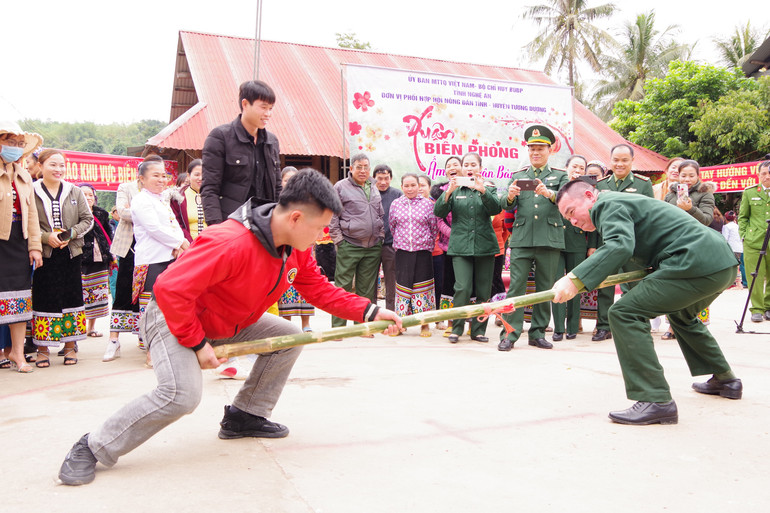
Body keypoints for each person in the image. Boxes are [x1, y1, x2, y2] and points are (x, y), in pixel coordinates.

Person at [57, 168, 402, 486]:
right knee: (181, 396)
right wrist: (196, 343)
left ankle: (245, 416)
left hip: (228, 320)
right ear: (296, 218)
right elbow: (170, 290)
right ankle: (93, 445)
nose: (322, 236)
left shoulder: (296, 248)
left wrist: (370, 312)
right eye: (318, 228)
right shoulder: (230, 241)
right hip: (174, 316)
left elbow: (318, 288)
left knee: (290, 337)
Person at [554, 180, 742, 425]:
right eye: (568, 219)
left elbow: (619, 246)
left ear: (590, 196)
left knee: (623, 313)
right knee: (682, 315)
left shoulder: (606, 204)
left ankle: (655, 399)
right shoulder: (621, 204)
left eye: (571, 213)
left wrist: (574, 280)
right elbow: (630, 258)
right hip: (719, 263)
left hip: (693, 262)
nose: (573, 222)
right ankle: (726, 380)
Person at [497, 125, 568, 351]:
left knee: (544, 288)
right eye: (532, 149)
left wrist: (550, 194)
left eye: (540, 149)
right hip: (523, 238)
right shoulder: (518, 176)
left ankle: (537, 332)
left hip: (549, 237)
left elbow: (568, 201)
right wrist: (509, 197)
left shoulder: (560, 175)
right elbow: (506, 205)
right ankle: (510, 333)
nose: (535, 153)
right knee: (515, 287)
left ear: (550, 150)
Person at [32, 149, 93, 367]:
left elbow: (88, 220)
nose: (58, 169)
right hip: (44, 254)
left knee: (72, 297)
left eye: (61, 165)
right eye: (53, 165)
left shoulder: (74, 191)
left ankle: (70, 347)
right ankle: (42, 349)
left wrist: (70, 234)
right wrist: (46, 237)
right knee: (44, 297)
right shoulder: (31, 191)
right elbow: (25, 223)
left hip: (70, 253)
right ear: (40, 166)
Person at [434, 152, 501, 343]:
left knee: (483, 291)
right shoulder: (454, 188)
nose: (470, 168)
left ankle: (478, 330)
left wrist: (483, 192)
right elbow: (438, 211)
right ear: (462, 168)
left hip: (485, 246)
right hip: (460, 247)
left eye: (474, 164)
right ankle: (457, 328)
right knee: (462, 287)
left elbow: (496, 209)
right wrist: (447, 192)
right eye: (467, 164)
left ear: (480, 168)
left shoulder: (488, 187)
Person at [591, 144, 654, 342]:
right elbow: (593, 218)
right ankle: (603, 326)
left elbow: (649, 216)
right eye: (616, 160)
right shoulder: (600, 185)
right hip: (607, 243)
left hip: (634, 244)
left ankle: (637, 323)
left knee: (635, 285)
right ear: (610, 161)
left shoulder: (644, 184)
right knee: (605, 286)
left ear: (632, 161)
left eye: (624, 160)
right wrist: (592, 246)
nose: (619, 164)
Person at [131, 159, 190, 368]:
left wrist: (178, 245)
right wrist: (180, 242)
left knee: (168, 306)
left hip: (169, 258)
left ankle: (167, 347)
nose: (161, 179)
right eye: (155, 175)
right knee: (151, 307)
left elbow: (173, 226)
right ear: (142, 179)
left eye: (163, 175)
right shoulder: (141, 200)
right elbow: (153, 229)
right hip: (151, 260)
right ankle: (150, 351)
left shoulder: (161, 200)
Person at [201, 80, 281, 225]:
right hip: (232, 223)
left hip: (265, 225)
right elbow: (209, 188)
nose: (268, 114)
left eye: (271, 108)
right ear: (245, 104)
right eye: (263, 107)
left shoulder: (272, 141)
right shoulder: (220, 137)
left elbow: (277, 187)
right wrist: (216, 228)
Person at [0, 121, 43, 373]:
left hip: (19, 242)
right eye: (9, 143)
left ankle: (17, 352)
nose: (15, 148)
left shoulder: (24, 175)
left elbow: (33, 216)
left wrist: (34, 246)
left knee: (18, 299)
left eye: (19, 145)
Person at [329, 153, 384, 329]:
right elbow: (333, 216)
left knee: (366, 289)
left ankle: (363, 327)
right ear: (351, 168)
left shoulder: (373, 186)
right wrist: (339, 241)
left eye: (366, 167)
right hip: (349, 244)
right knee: (342, 288)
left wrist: (380, 236)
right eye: (358, 167)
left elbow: (379, 213)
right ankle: (338, 328)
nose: (362, 171)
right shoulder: (340, 187)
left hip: (373, 246)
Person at [104, 160, 144, 362]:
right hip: (129, 247)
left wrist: (134, 209)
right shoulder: (125, 187)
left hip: (152, 248)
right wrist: (146, 212)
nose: (159, 178)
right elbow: (122, 212)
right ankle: (113, 340)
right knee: (123, 290)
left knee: (148, 293)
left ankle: (146, 336)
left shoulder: (162, 192)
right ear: (141, 175)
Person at [389, 173, 438, 336]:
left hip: (423, 252)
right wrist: (401, 242)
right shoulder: (396, 204)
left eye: (413, 185)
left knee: (423, 287)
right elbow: (392, 226)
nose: (410, 189)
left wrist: (427, 245)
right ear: (402, 187)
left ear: (419, 186)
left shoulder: (428, 204)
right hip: (403, 252)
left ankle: (424, 324)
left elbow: (433, 227)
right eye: (406, 186)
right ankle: (401, 324)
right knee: (403, 287)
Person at [552, 154, 589, 341]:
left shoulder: (588, 190)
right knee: (558, 284)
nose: (577, 170)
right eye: (574, 167)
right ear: (566, 168)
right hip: (556, 240)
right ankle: (558, 327)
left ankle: (573, 326)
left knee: (574, 283)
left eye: (581, 168)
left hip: (577, 240)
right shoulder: (557, 185)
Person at [277, 167, 314, 332]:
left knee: (306, 286)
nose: (290, 183)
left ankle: (306, 324)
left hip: (303, 249)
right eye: (286, 180)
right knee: (285, 287)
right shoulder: (278, 203)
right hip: (284, 252)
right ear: (281, 182)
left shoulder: (307, 202)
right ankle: (288, 326)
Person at [432, 156, 462, 335]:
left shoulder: (472, 186)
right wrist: (455, 234)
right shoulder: (440, 192)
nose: (452, 168)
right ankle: (450, 323)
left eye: (456, 165)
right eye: (449, 166)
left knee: (466, 286)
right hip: (447, 247)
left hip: (469, 247)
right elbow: (439, 220)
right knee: (448, 285)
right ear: (445, 171)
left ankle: (471, 323)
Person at [79, 184, 113, 338]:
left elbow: (108, 234)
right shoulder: (75, 213)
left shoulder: (102, 214)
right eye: (84, 195)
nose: (88, 198)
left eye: (91, 195)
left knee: (97, 293)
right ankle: (78, 327)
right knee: (81, 293)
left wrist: (111, 255)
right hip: (80, 258)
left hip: (100, 258)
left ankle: (91, 327)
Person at [738, 159, 770, 323]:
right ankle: (756, 309)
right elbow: (743, 217)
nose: (767, 176)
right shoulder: (750, 192)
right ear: (758, 175)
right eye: (763, 173)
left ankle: (769, 306)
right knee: (754, 276)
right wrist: (744, 235)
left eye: (769, 173)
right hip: (753, 240)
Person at [373, 164, 403, 312]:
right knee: (370, 282)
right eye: (379, 179)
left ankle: (391, 314)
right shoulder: (369, 193)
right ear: (374, 179)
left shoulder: (397, 194)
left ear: (391, 178)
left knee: (391, 281)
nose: (383, 182)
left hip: (391, 244)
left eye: (386, 178)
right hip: (371, 245)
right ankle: (371, 315)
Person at [170, 159, 207, 242]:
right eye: (197, 174)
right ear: (188, 176)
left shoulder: (214, 196)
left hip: (210, 245)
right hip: (187, 245)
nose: (200, 178)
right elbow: (176, 224)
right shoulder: (178, 197)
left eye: (204, 174)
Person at [722, 211, 744, 288]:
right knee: (737, 265)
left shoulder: (726, 227)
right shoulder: (737, 226)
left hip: (731, 248)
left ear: (725, 218)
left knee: (731, 266)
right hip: (739, 248)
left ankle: (734, 283)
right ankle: (739, 282)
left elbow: (725, 239)